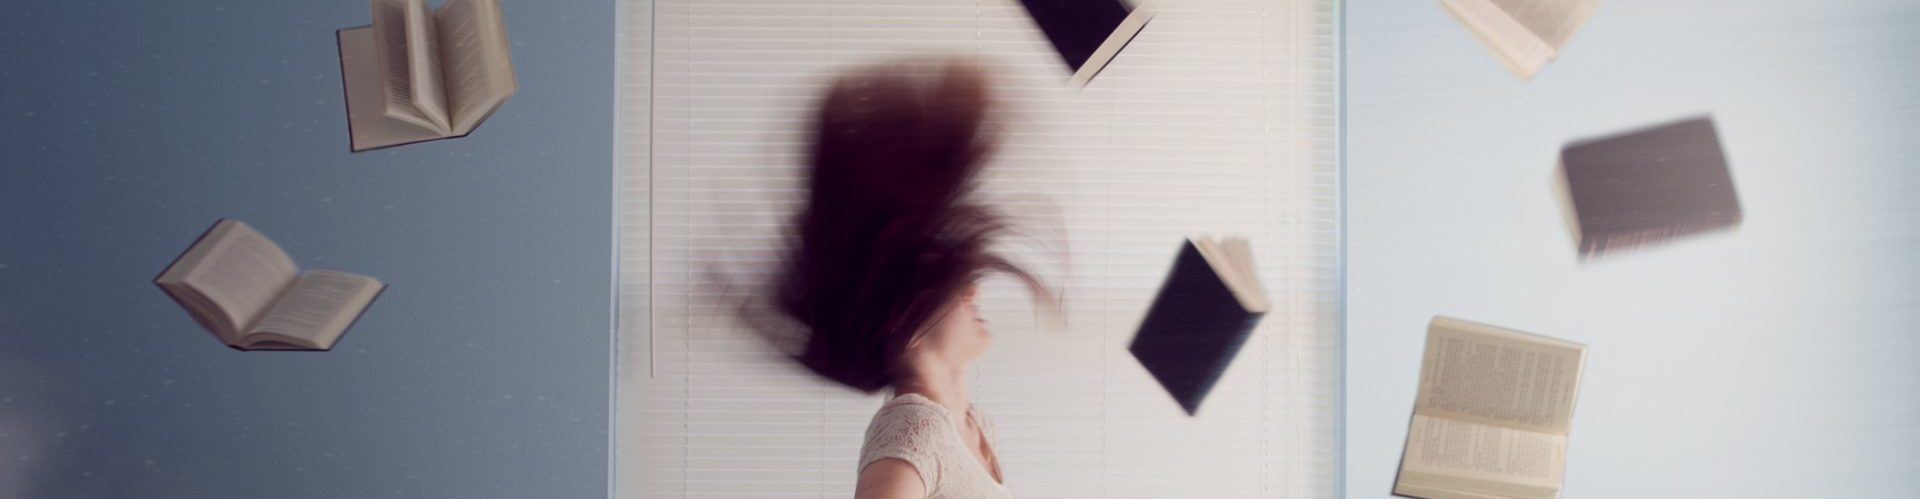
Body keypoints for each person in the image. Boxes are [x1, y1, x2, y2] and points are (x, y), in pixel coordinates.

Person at [746, 58, 1056, 499]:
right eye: (948, 286)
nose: (971, 290)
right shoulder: (914, 427)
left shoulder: (974, 426)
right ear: (904, 325)